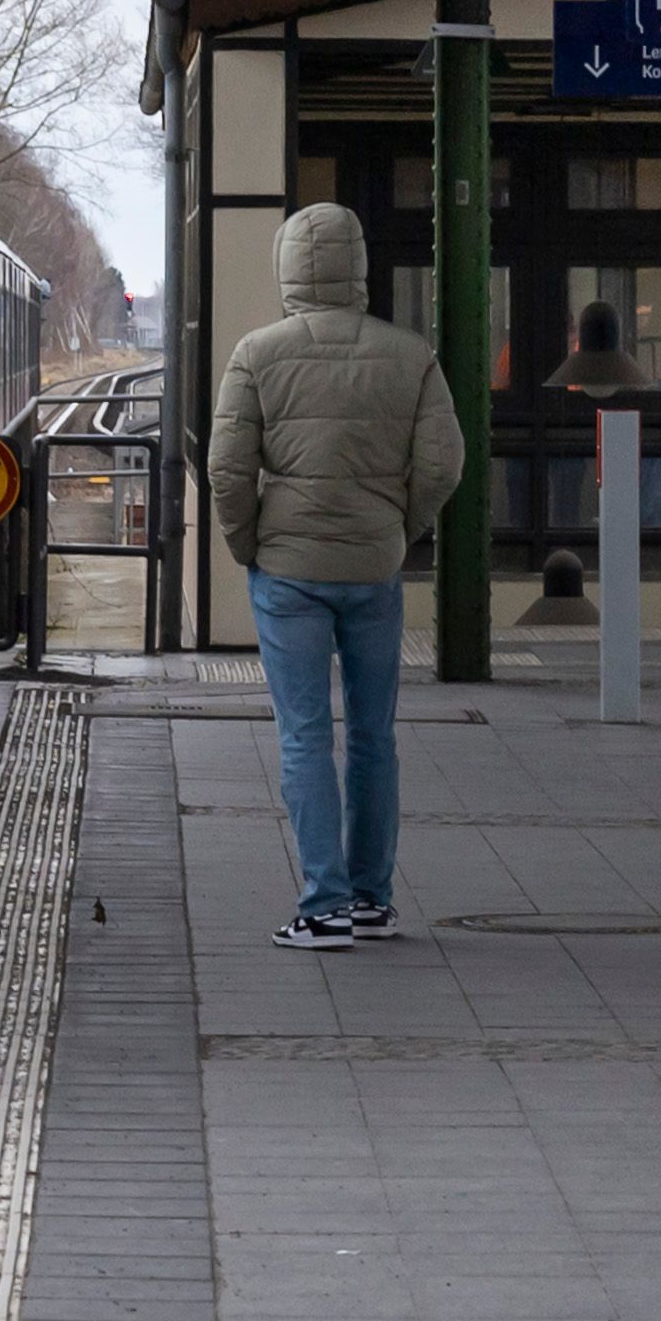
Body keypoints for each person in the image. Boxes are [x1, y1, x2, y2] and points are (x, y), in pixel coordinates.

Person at [208, 201, 464, 951]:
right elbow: (443, 464)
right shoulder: (410, 354)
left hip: (287, 572)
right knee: (374, 735)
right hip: (374, 569)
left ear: (288, 268)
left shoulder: (258, 354)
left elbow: (228, 470)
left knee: (304, 736)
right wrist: (398, 527)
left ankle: (321, 908)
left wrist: (250, 541)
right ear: (358, 267)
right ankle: (371, 900)